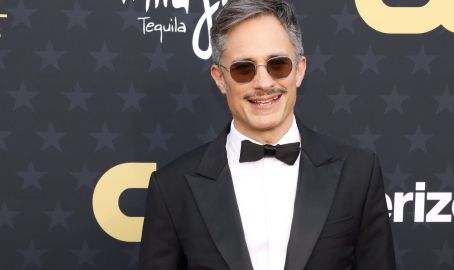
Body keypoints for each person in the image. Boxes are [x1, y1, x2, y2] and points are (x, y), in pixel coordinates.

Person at [139, 0, 396, 269]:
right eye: (243, 69)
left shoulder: (358, 174)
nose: (263, 83)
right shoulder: (172, 188)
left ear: (299, 69)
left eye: (278, 65)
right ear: (219, 78)